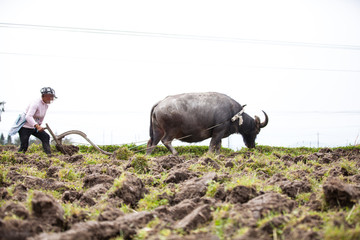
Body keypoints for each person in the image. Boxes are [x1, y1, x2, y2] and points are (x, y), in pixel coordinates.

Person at [17, 87, 57, 155]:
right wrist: (37, 126)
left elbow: (41, 116)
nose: (52, 99)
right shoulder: (35, 103)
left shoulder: (46, 105)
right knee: (24, 146)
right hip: (25, 127)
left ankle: (49, 155)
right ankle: (18, 158)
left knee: (45, 136)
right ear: (45, 96)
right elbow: (28, 116)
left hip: (34, 127)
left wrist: (40, 125)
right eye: (51, 97)